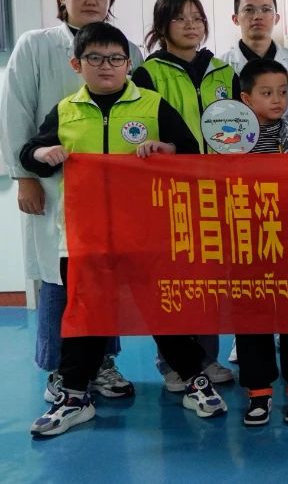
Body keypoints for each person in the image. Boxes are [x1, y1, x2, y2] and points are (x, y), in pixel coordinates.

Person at [25, 22, 225, 436]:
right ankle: (74, 397)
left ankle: (195, 381)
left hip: (145, 234)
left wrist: (166, 149)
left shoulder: (151, 105)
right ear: (77, 64)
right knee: (85, 317)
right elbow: (31, 153)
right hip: (84, 236)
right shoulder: (66, 110)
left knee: (162, 312)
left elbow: (189, 152)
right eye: (95, 58)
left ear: (128, 64)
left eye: (115, 58)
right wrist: (43, 153)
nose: (106, 66)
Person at [1, 0, 141, 405]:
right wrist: (24, 176)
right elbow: (16, 113)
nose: (92, 0)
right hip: (54, 186)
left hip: (110, 192)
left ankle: (103, 362)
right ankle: (60, 369)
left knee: (104, 276)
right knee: (58, 277)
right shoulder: (36, 45)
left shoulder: (128, 50)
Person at [133, 0, 238, 388]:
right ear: (163, 26)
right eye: (181, 18)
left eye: (197, 17)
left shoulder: (224, 72)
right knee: (174, 280)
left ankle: (207, 359)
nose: (191, 25)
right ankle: (174, 363)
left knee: (208, 279)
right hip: (170, 192)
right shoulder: (148, 74)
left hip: (217, 191)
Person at [233, 58, 288, 426]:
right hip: (248, 242)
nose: (277, 100)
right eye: (266, 93)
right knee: (252, 313)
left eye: (283, 92)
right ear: (246, 98)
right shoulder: (228, 146)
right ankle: (258, 390)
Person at [217, 0, 288, 130]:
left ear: (276, 18)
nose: (258, 16)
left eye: (266, 9)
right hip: (240, 143)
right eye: (249, 10)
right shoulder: (220, 67)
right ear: (235, 19)